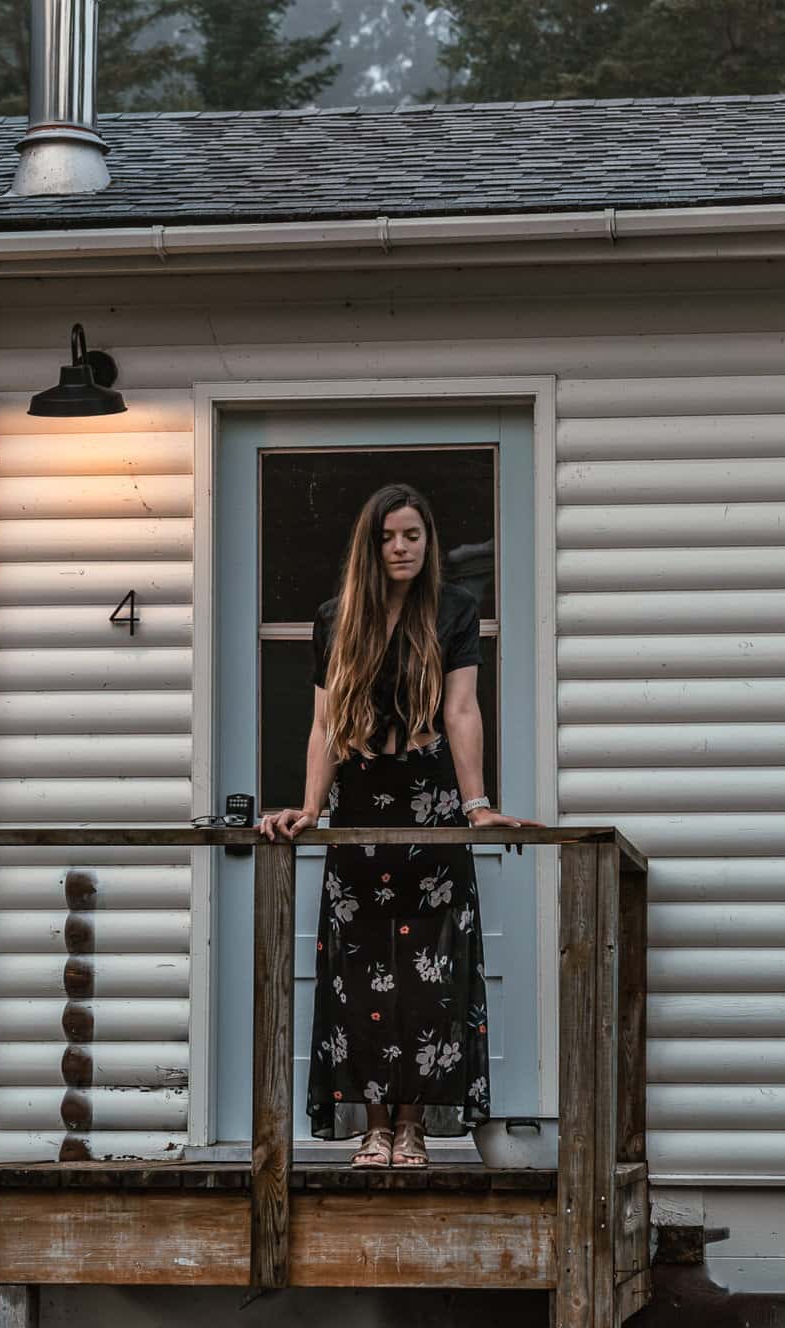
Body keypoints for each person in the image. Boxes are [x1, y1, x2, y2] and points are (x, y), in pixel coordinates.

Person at [258, 480, 527, 1168]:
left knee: (426, 977)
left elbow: (462, 710)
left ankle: (411, 1129)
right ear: (369, 547)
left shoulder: (454, 609)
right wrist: (310, 808)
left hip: (430, 806)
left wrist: (476, 804)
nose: (401, 548)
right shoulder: (336, 617)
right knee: (359, 973)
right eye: (388, 537)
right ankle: (375, 1129)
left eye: (413, 535)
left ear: (428, 543)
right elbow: (324, 723)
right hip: (359, 807)